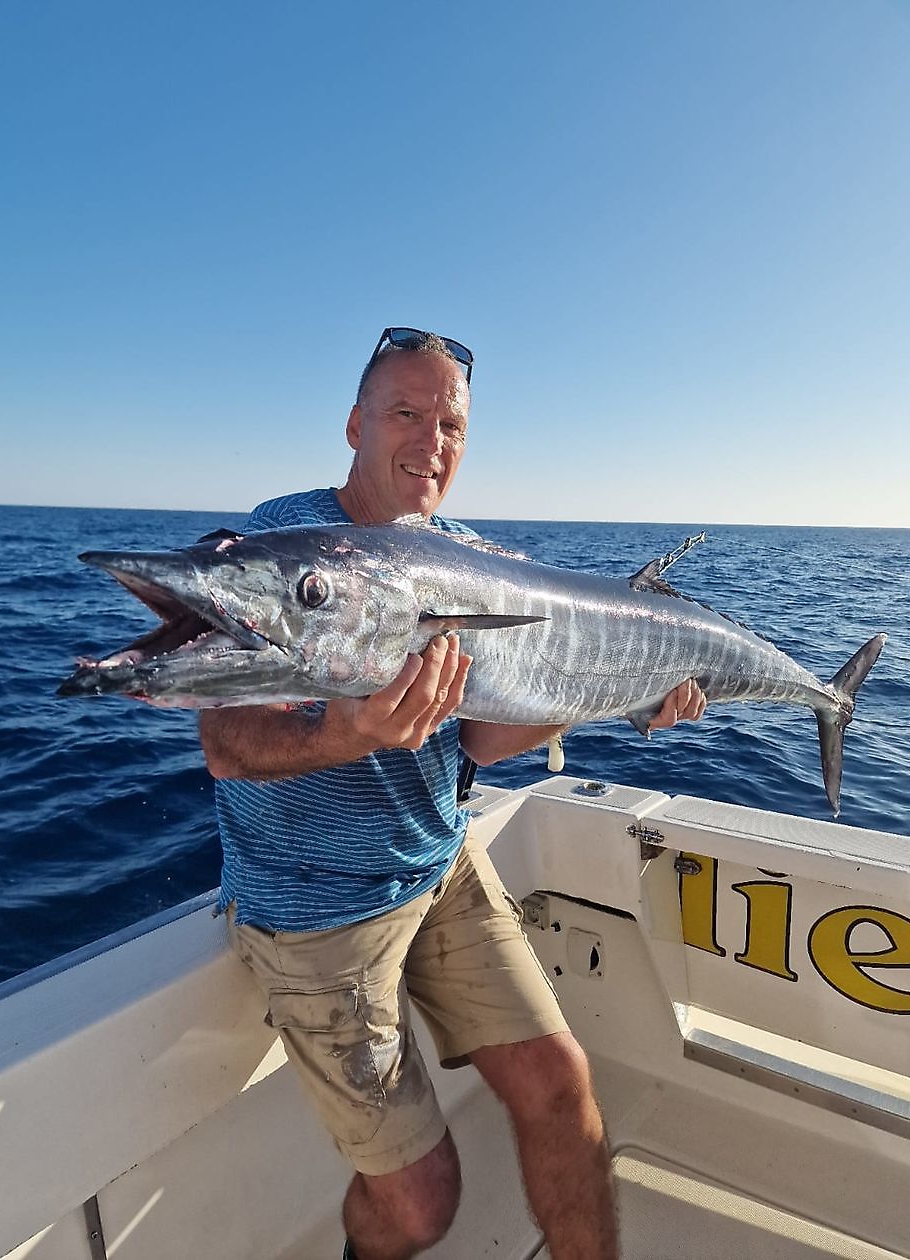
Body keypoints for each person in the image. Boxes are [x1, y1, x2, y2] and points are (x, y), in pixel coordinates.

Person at [199, 328, 706, 1260]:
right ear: (354, 424)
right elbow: (228, 747)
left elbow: (482, 739)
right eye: (406, 412)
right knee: (418, 1206)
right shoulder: (286, 547)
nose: (431, 442)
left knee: (561, 1086)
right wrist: (345, 734)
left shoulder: (470, 560)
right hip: (317, 904)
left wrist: (609, 692)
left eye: (451, 425)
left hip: (440, 863)